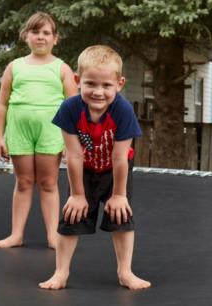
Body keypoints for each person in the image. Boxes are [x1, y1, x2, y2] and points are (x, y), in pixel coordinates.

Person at [38, 45, 151, 290]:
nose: (98, 92)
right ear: (78, 81)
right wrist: (78, 194)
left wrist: (119, 195)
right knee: (71, 217)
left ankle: (125, 272)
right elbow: (74, 155)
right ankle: (60, 273)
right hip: (85, 169)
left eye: (106, 86)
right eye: (90, 84)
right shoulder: (70, 109)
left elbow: (121, 157)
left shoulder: (123, 110)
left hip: (115, 170)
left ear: (119, 84)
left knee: (121, 217)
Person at [0, 12, 77, 249]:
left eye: (46, 33)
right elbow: (2, 103)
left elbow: (74, 107)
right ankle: (16, 235)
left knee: (49, 182)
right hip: (19, 129)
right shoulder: (15, 66)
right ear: (25, 36)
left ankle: (53, 236)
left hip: (51, 130)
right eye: (35, 32)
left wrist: (73, 144)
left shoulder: (62, 68)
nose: (40, 37)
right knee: (24, 181)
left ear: (55, 38)